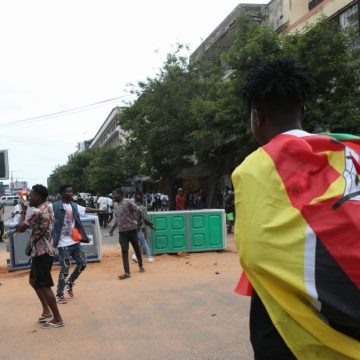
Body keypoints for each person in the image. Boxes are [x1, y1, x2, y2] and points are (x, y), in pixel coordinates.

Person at [232, 59, 360, 359]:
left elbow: (255, 252)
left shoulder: (255, 167)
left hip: (291, 330)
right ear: (302, 111)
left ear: (257, 117)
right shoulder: (351, 150)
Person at [16, 184, 64, 329]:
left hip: (41, 253)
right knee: (33, 281)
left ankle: (57, 319)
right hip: (44, 250)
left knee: (44, 285)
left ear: (39, 197)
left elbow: (20, 228)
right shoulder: (48, 207)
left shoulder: (36, 212)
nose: (29, 197)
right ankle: (46, 311)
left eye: (31, 195)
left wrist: (23, 210)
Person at [53, 185, 103, 304]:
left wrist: (99, 210)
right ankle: (59, 294)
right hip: (63, 243)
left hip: (74, 241)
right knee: (65, 268)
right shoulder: (55, 206)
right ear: (62, 193)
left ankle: (69, 283)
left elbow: (86, 209)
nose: (71, 193)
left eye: (72, 191)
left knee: (83, 263)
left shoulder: (74, 205)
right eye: (68, 192)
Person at [109, 188, 145, 280]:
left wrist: (138, 221)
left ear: (120, 194)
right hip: (122, 232)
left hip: (132, 230)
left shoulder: (128, 202)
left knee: (136, 248)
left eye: (115, 194)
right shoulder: (115, 205)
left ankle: (141, 265)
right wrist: (112, 229)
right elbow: (117, 218)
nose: (113, 197)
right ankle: (127, 272)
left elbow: (138, 210)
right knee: (124, 251)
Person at [132, 194, 154, 263]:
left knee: (138, 242)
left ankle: (135, 256)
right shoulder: (143, 208)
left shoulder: (131, 207)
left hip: (131, 227)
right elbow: (145, 219)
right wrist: (151, 225)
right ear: (141, 200)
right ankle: (149, 257)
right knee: (144, 242)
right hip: (138, 227)